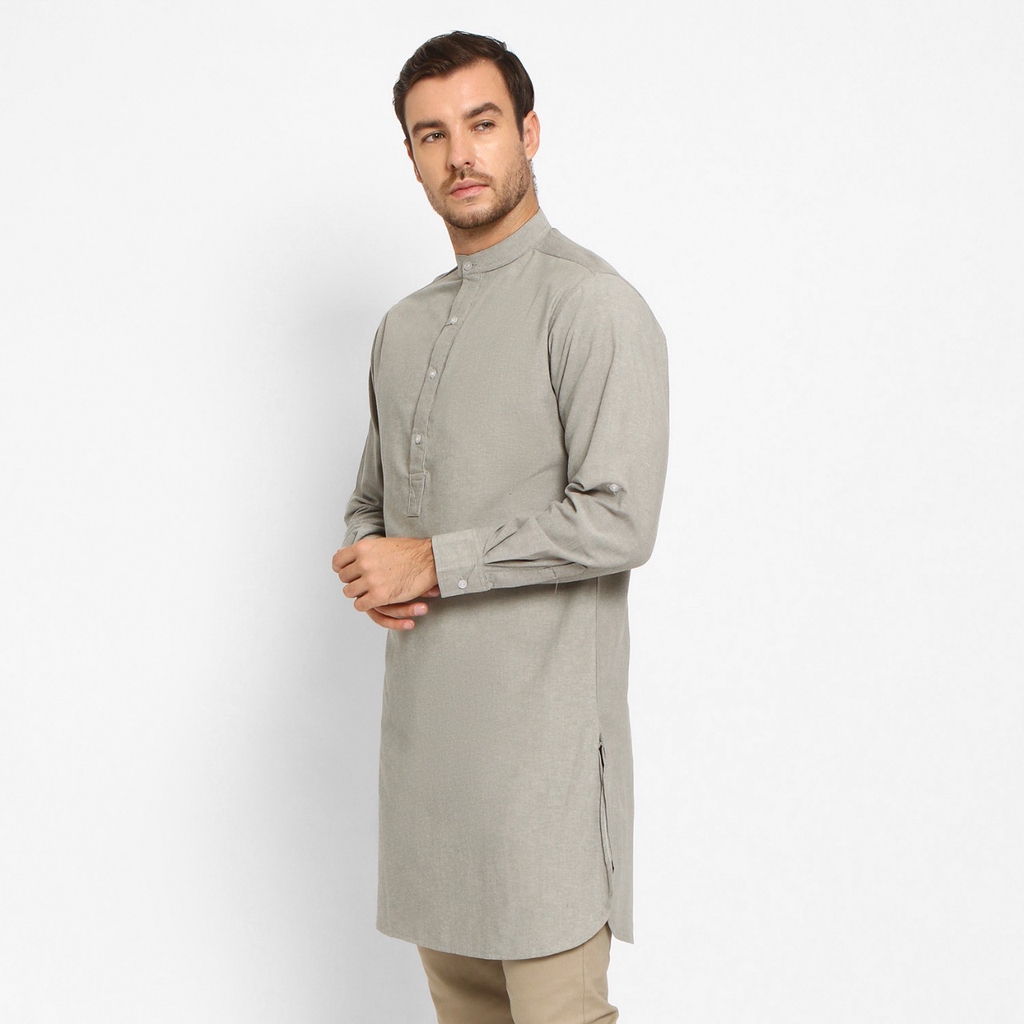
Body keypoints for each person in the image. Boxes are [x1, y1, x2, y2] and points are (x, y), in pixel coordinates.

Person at [332, 30, 669, 1024]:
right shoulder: (402, 327)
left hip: (542, 785)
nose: (459, 154)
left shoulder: (592, 306)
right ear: (410, 157)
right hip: (430, 783)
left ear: (528, 132)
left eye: (481, 124)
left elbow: (619, 520)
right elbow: (373, 503)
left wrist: (432, 562)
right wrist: (369, 564)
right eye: (431, 135)